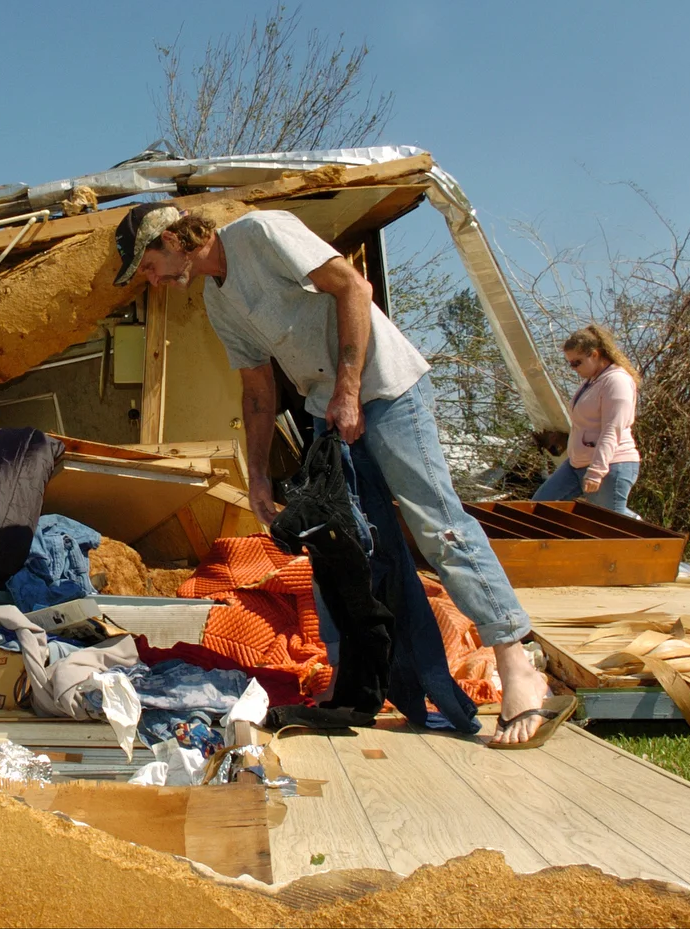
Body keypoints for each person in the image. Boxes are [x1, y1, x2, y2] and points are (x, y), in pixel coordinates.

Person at [112, 203, 561, 746]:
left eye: (148, 265)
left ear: (171, 238)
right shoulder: (217, 301)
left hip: (386, 391)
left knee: (436, 524)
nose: (152, 280)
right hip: (329, 410)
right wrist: (257, 478)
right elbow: (258, 392)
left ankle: (517, 664)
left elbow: (353, 289)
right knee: (341, 546)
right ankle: (352, 684)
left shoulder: (261, 233)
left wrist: (349, 389)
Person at [531, 326, 641, 517]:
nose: (573, 368)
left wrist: (597, 470)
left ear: (595, 354)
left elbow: (612, 429)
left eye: (577, 363)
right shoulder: (592, 380)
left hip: (611, 465)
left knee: (611, 522)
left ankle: (647, 534)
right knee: (538, 508)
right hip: (577, 464)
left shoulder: (616, 381)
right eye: (570, 364)